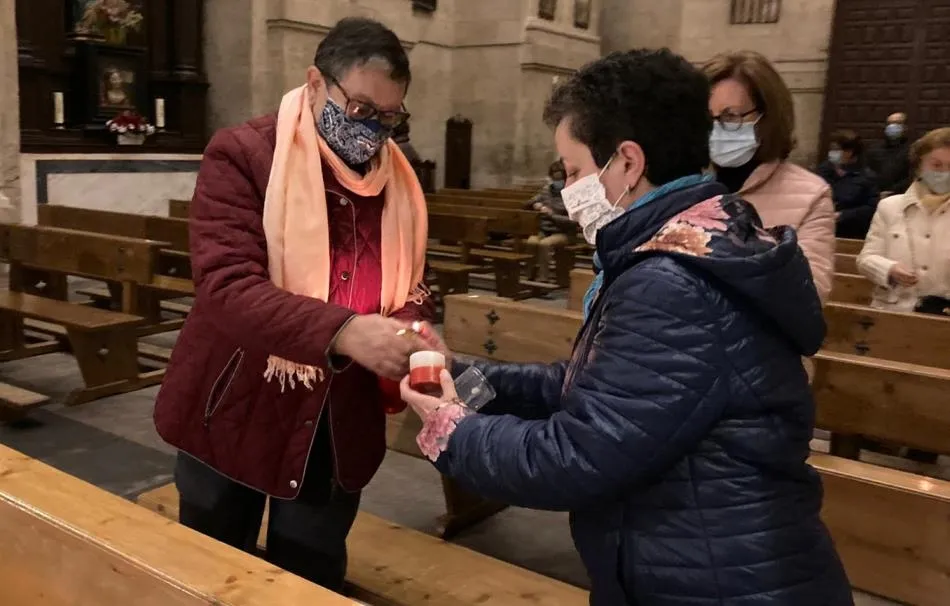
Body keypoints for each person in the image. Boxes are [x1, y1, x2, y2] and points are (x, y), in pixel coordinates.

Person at [401, 49, 853, 606]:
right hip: (703, 560)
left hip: (717, 578)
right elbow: (597, 389)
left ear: (628, 163)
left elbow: (578, 455)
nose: (568, 191)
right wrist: (466, 375)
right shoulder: (691, 246)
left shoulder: (671, 280)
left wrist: (450, 430)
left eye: (572, 170)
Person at [152, 17, 433, 592]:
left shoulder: (398, 181)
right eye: (359, 111)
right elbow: (227, 287)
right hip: (236, 399)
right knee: (210, 569)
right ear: (314, 83)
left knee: (310, 573)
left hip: (336, 415)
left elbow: (409, 285)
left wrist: (411, 330)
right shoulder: (245, 154)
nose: (372, 132)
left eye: (389, 118)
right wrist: (346, 332)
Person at [705, 50, 835, 301]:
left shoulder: (810, 194)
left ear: (767, 117)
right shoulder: (685, 182)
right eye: (707, 119)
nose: (716, 129)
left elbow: (810, 292)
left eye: (730, 116)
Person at [857, 127, 950, 312]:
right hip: (894, 311)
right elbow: (866, 259)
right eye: (936, 165)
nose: (945, 173)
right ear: (919, 167)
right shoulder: (890, 207)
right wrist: (889, 269)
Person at [817, 129, 879, 239]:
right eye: (831, 149)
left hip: (850, 232)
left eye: (837, 149)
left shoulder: (867, 177)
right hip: (821, 228)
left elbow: (870, 207)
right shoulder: (823, 170)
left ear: (850, 152)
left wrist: (843, 215)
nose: (832, 153)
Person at [524, 160, 573, 281]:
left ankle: (543, 277)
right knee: (531, 242)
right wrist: (536, 204)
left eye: (560, 179)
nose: (557, 182)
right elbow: (528, 203)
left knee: (544, 244)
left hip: (563, 233)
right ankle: (529, 276)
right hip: (544, 231)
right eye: (555, 179)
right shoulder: (546, 190)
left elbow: (573, 221)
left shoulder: (571, 194)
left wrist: (552, 215)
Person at [868, 112, 912, 197]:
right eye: (890, 123)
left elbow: (912, 175)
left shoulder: (912, 150)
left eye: (897, 123)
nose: (893, 126)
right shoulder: (874, 149)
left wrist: (894, 191)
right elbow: (868, 172)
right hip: (875, 196)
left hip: (902, 195)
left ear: (905, 127)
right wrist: (876, 191)